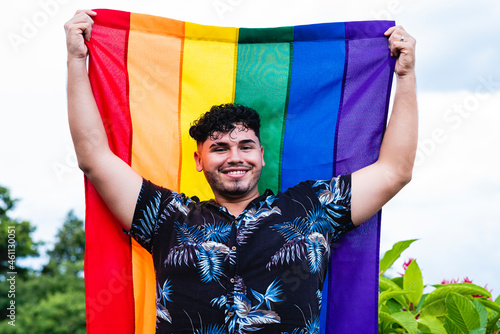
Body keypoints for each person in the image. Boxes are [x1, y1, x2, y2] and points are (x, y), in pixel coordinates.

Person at [65, 9, 417, 334]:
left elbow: (394, 171)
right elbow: (94, 157)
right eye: (219, 148)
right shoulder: (167, 219)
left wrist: (405, 76)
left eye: (245, 146)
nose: (235, 156)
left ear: (262, 156)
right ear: (199, 160)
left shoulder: (314, 208)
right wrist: (77, 60)